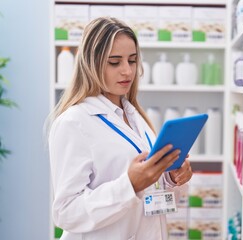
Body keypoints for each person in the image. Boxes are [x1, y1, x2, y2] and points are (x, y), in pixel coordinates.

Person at [47, 17, 193, 240]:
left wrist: (172, 178)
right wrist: (129, 185)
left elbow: (155, 199)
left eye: (132, 60)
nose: (127, 71)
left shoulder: (137, 118)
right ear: (91, 63)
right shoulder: (73, 123)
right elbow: (65, 213)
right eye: (114, 62)